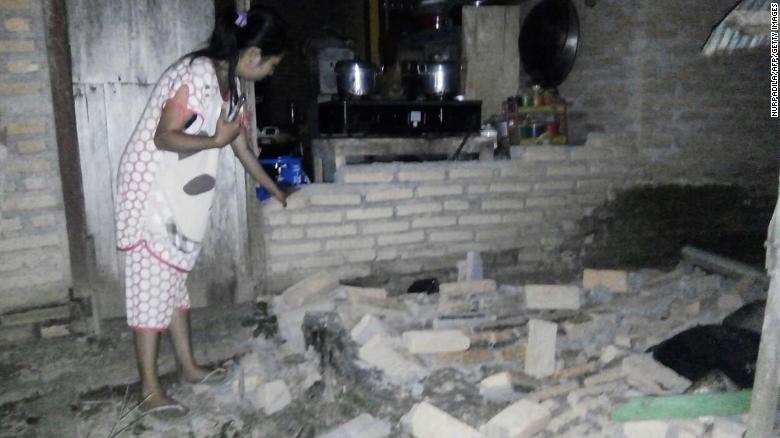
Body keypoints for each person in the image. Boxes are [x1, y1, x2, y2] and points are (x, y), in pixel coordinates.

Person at [113, 5, 288, 417]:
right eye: (273, 64)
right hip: (152, 191)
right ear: (252, 55)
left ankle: (189, 368)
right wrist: (213, 141)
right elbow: (165, 137)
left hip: (176, 196)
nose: (272, 73)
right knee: (149, 292)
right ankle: (149, 389)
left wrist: (272, 188)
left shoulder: (229, 86)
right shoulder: (196, 75)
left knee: (173, 285)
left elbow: (239, 144)